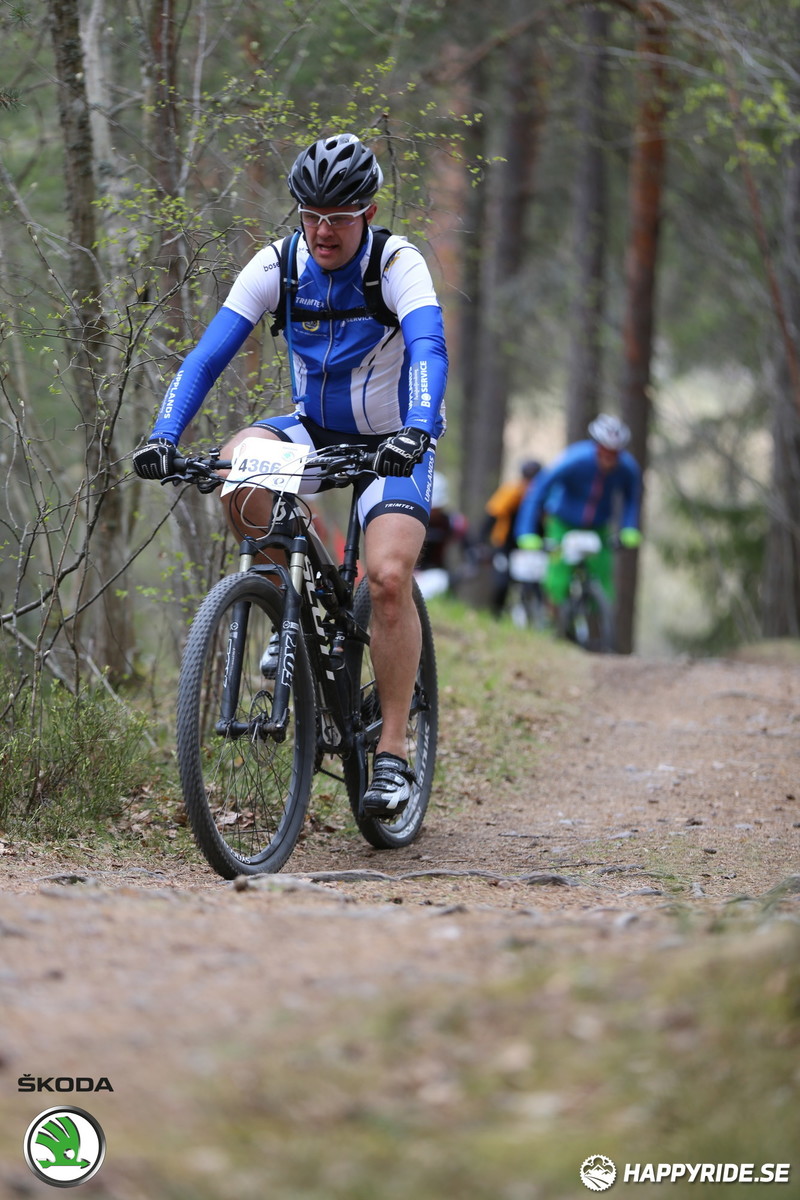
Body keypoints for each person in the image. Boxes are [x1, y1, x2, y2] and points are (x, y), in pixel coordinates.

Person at [132, 133, 448, 819]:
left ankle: (392, 753)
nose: (322, 229)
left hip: (395, 438)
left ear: (366, 212)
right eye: (309, 214)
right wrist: (163, 435)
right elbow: (206, 357)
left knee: (388, 577)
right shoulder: (278, 264)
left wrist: (418, 427)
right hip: (313, 429)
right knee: (239, 459)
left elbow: (427, 345)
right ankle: (282, 597)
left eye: (337, 215)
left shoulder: (397, 263)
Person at [514, 414, 642, 609]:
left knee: (602, 577)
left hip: (598, 526)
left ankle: (594, 627)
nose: (609, 458)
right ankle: (552, 621)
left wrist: (630, 528)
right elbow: (539, 490)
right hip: (562, 521)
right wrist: (526, 531)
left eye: (614, 453)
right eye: (604, 451)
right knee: (558, 578)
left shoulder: (627, 468)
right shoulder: (575, 459)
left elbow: (632, 499)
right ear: (596, 446)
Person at [481, 458, 542, 617]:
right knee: (503, 582)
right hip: (505, 545)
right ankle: (496, 615)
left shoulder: (543, 497)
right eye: (527, 479)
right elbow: (492, 515)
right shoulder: (512, 492)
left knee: (536, 582)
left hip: (531, 546)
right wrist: (482, 542)